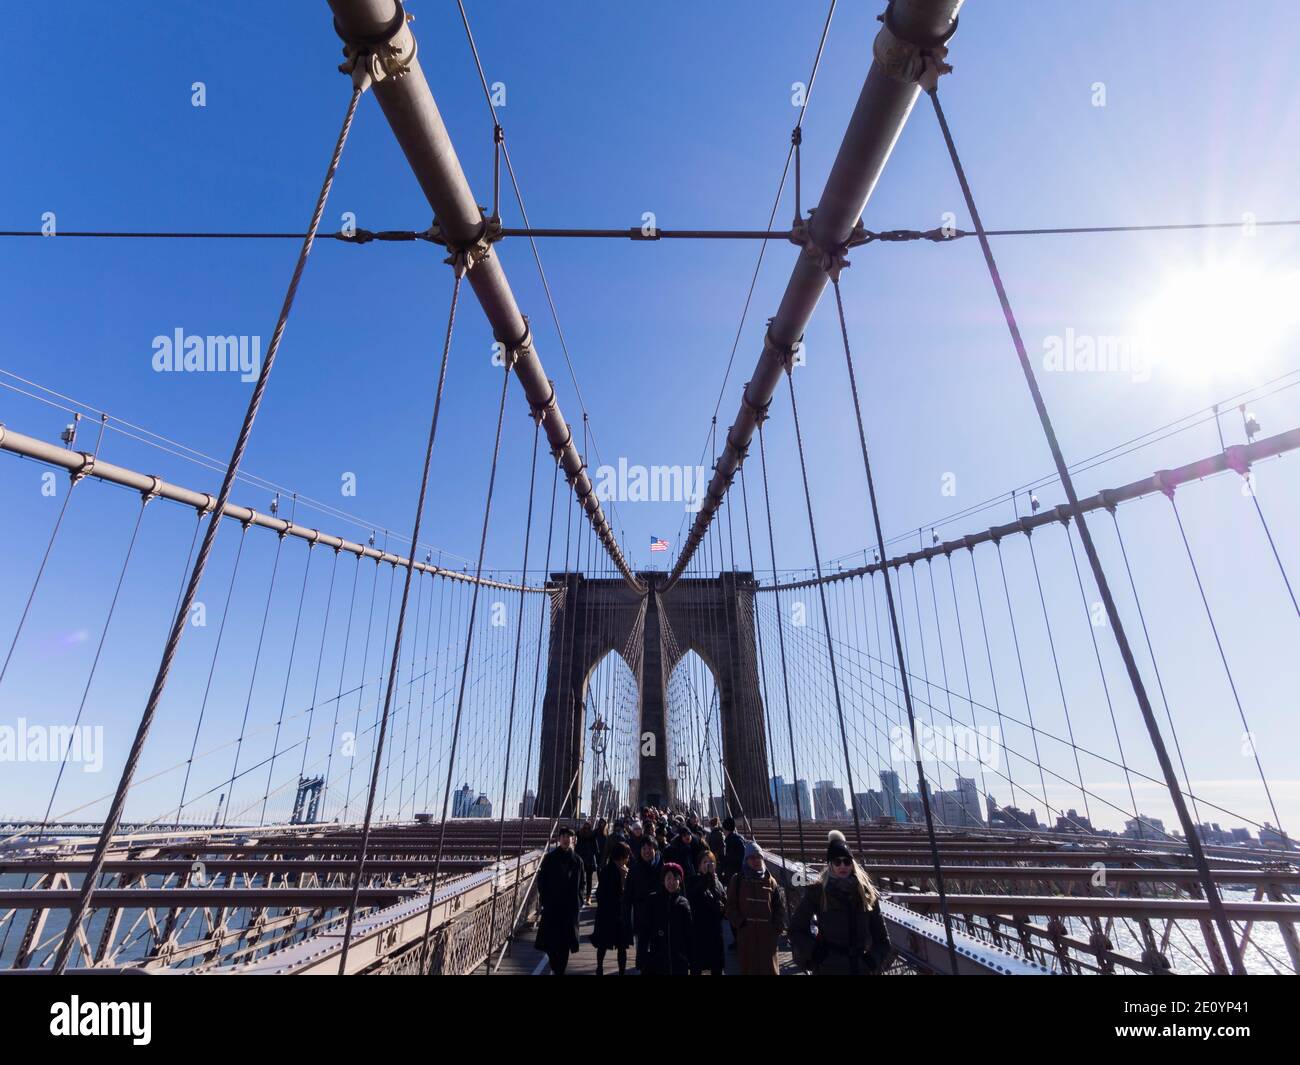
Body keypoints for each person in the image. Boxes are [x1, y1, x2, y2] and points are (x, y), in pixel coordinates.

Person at [790, 830, 894, 975]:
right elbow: (796, 928)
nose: (842, 866)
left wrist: (872, 961)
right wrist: (815, 954)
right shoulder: (818, 892)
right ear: (830, 865)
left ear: (852, 864)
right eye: (837, 861)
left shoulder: (866, 894)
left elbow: (882, 939)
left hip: (860, 969)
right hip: (829, 968)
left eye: (846, 861)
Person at [725, 839, 786, 975]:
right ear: (746, 860)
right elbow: (730, 907)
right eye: (752, 857)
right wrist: (740, 923)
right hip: (747, 938)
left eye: (759, 857)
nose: (756, 860)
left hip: (767, 939)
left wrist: (776, 928)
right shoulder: (738, 879)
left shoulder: (771, 881)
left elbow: (779, 907)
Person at [535, 825, 584, 974]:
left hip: (569, 910)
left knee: (564, 945)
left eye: (569, 837)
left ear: (573, 840)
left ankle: (559, 971)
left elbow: (582, 883)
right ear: (559, 839)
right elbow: (541, 880)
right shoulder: (550, 858)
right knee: (550, 944)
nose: (566, 839)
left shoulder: (577, 861)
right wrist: (545, 901)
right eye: (563, 836)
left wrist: (579, 901)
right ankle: (556, 968)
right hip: (553, 908)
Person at [639, 862, 693, 975]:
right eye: (668, 878)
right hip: (657, 958)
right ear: (663, 880)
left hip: (678, 959)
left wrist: (691, 958)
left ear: (680, 881)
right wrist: (641, 955)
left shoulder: (683, 903)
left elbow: (689, 933)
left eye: (675, 878)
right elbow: (644, 931)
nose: (672, 882)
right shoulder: (653, 900)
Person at [591, 840, 633, 975]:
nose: (628, 858)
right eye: (627, 855)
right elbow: (623, 892)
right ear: (622, 856)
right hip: (615, 913)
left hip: (607, 914)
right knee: (620, 947)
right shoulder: (618, 872)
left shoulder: (608, 870)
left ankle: (600, 967)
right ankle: (618, 971)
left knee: (605, 945)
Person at [625, 836, 662, 971]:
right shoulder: (634, 870)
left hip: (660, 915)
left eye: (650, 847)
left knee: (659, 948)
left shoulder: (663, 868)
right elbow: (627, 896)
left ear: (655, 849)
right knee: (642, 948)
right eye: (644, 848)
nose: (647, 851)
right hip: (641, 915)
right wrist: (626, 920)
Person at [687, 851, 726, 975]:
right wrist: (706, 879)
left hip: (715, 931)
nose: (708, 865)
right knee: (697, 966)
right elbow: (694, 897)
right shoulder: (693, 880)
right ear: (699, 865)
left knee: (717, 966)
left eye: (711, 862)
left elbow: (723, 901)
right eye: (705, 862)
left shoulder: (718, 882)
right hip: (698, 932)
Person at [576, 820, 599, 903]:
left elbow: (596, 849)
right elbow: (577, 847)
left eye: (588, 828)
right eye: (585, 828)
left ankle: (588, 897)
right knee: (581, 878)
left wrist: (596, 859)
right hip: (581, 860)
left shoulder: (593, 837)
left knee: (589, 879)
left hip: (589, 860)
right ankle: (580, 895)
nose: (586, 829)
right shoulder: (580, 835)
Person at [720, 817, 745, 886]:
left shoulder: (730, 842)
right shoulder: (739, 838)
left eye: (723, 828)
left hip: (734, 876)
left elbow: (731, 861)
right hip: (741, 873)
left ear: (725, 829)